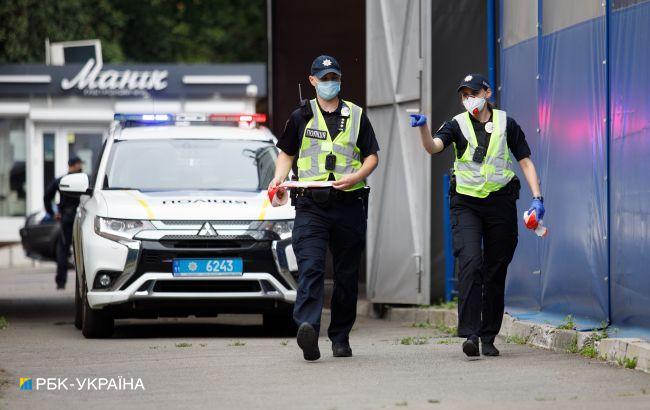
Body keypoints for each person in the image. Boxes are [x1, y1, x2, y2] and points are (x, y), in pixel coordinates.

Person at [410, 73, 544, 358]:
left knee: (496, 270)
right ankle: (470, 333)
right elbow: (433, 147)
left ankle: (488, 335)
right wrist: (423, 129)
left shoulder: (507, 124)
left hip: (500, 203)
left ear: (487, 93)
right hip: (466, 204)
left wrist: (537, 199)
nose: (469, 98)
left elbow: (525, 162)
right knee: (470, 262)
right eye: (464, 94)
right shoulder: (457, 124)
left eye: (474, 92)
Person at [269, 55, 379, 361]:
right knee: (312, 267)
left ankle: (340, 337)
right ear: (313, 80)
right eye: (324, 77)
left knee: (346, 275)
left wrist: (357, 176)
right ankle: (308, 328)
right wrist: (278, 180)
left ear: (340, 80)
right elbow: (286, 154)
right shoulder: (300, 115)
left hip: (349, 202)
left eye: (335, 77)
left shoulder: (356, 115)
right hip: (310, 204)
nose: (330, 82)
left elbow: (372, 155)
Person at [44, 156, 84, 290]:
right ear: (72, 165)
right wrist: (52, 213)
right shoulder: (83, 180)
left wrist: (52, 212)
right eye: (78, 164)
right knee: (66, 250)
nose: (80, 167)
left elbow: (47, 196)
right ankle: (61, 282)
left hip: (70, 217)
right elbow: (47, 196)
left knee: (65, 249)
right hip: (76, 217)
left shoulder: (63, 180)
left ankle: (62, 282)